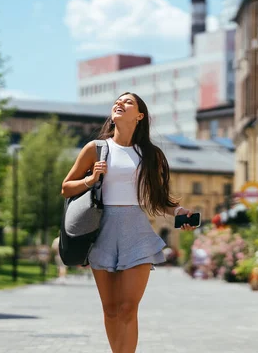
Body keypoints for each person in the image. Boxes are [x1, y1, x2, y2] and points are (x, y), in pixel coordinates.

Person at [61, 92, 195, 353]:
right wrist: (90, 180)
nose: (119, 103)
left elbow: (157, 200)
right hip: (101, 230)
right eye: (117, 101)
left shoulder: (150, 154)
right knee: (111, 311)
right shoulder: (96, 148)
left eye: (128, 102)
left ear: (140, 116)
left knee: (128, 308)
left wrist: (179, 212)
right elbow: (66, 188)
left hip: (136, 230)